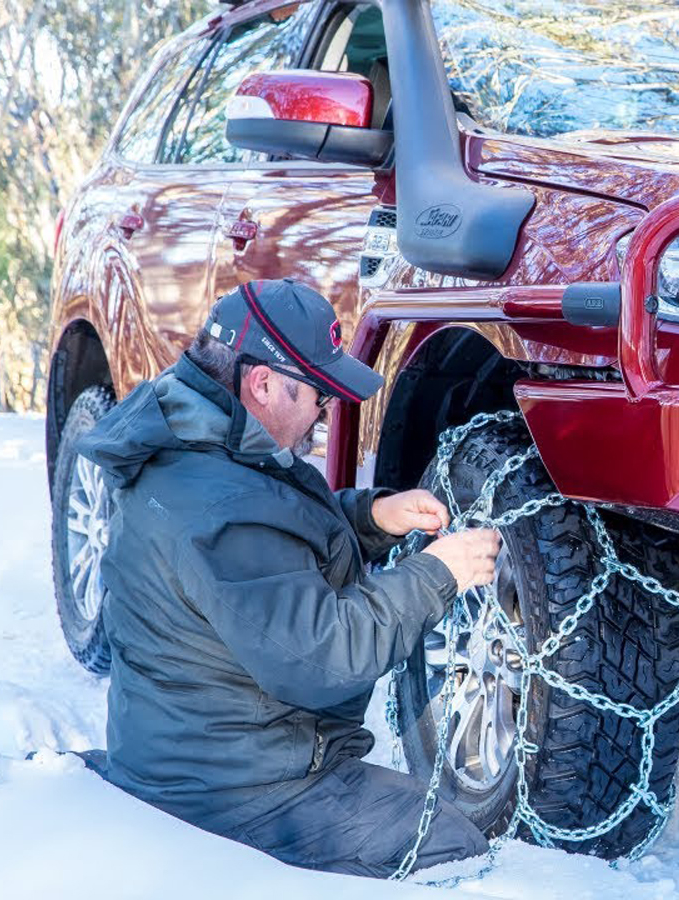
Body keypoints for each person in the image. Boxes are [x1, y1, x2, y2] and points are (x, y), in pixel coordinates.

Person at [78, 278, 500, 877]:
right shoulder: (218, 505)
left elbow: (273, 545)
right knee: (448, 844)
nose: (325, 414)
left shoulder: (196, 442)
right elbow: (322, 656)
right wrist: (439, 572)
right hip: (232, 792)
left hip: (195, 754)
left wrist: (373, 517)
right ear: (263, 383)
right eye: (319, 395)